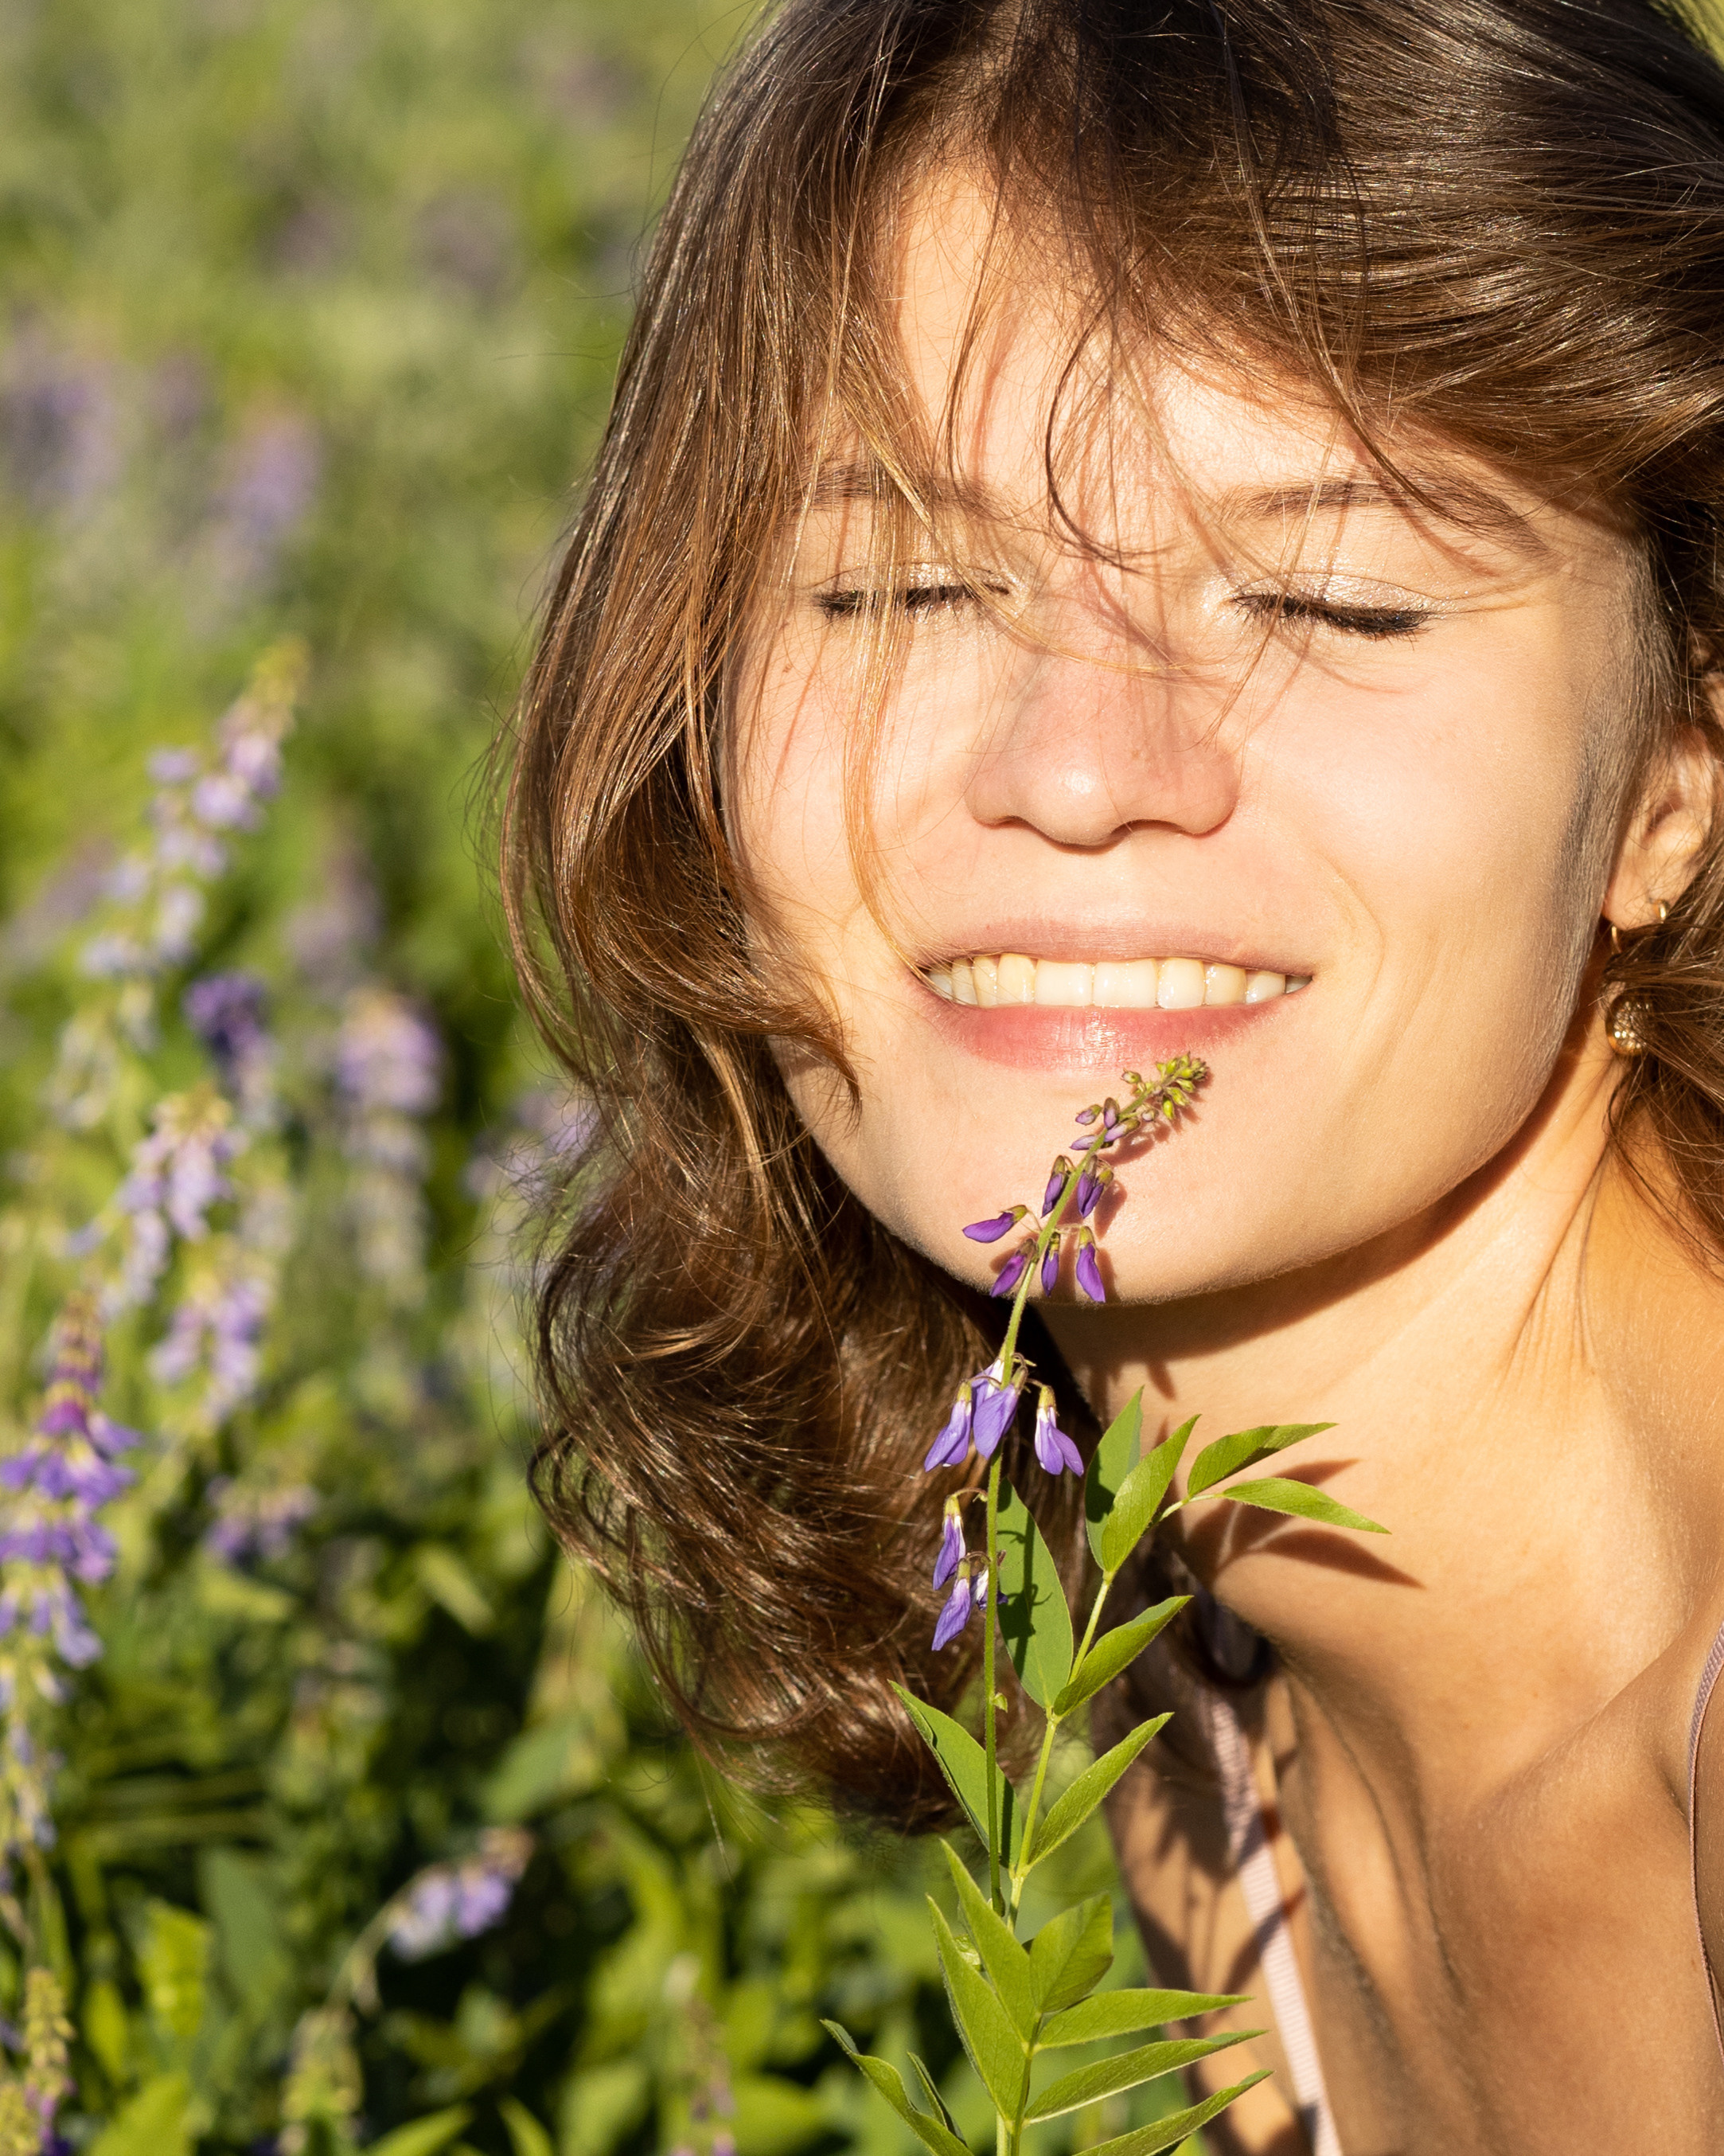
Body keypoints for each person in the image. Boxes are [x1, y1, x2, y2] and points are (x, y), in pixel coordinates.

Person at [497, 1, 1724, 2146]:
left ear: (1678, 773)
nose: (1077, 769)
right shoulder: (1200, 1735)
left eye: (1331, 599)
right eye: (902, 583)